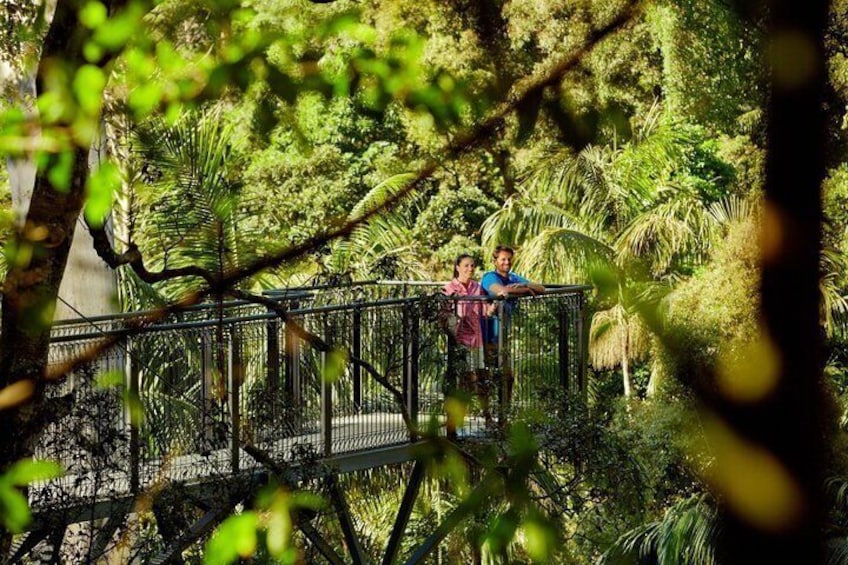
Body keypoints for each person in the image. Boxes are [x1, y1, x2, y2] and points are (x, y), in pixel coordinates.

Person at [479, 245, 545, 407]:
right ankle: (486, 413)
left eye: (509, 259)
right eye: (503, 259)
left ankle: (504, 413)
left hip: (502, 337)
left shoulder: (514, 278)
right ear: (495, 261)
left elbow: (541, 288)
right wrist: (524, 289)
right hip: (485, 335)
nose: (507, 262)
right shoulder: (489, 277)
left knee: (507, 377)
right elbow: (501, 291)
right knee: (485, 377)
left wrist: (522, 286)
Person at [442, 254, 494, 433]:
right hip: (460, 341)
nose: (470, 269)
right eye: (466, 265)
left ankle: (487, 417)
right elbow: (444, 316)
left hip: (476, 339)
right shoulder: (449, 289)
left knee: (481, 378)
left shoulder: (476, 288)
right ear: (457, 267)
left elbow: (484, 311)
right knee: (466, 379)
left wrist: (494, 305)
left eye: (472, 265)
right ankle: (457, 420)